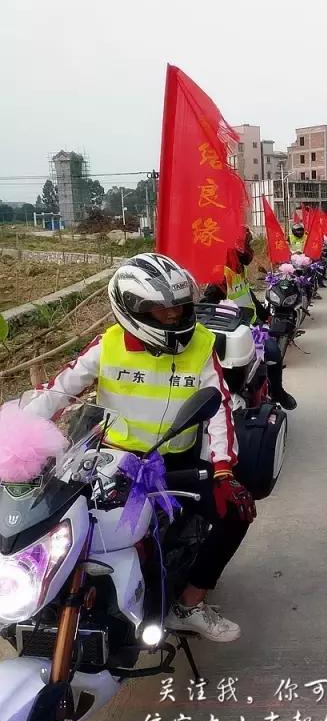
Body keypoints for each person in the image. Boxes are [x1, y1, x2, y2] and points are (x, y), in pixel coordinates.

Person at [32, 253, 255, 642]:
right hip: (110, 461)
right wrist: (17, 436)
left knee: (237, 512)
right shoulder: (108, 346)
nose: (173, 317)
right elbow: (57, 391)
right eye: (161, 310)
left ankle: (189, 602)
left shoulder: (201, 343)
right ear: (133, 310)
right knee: (68, 529)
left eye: (179, 309)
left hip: (176, 462)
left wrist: (223, 469)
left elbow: (218, 406)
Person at [203, 235, 297, 410]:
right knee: (272, 351)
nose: (250, 250)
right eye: (247, 245)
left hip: (252, 325)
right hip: (234, 332)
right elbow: (208, 303)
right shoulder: (221, 274)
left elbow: (248, 295)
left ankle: (276, 391)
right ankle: (276, 392)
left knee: (273, 352)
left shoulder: (238, 269)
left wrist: (264, 314)